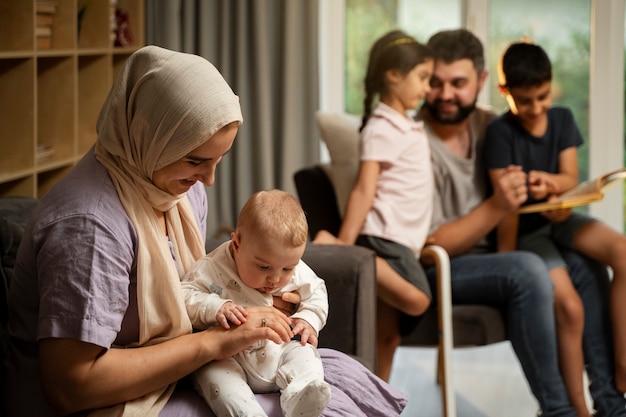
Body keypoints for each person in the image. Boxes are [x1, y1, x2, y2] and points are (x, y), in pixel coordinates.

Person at [2, 45, 406, 417]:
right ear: (147, 134)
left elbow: (195, 286)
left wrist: (255, 298)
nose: (209, 181)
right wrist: (215, 342)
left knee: (339, 380)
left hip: (176, 369)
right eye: (196, 160)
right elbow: (72, 387)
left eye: (218, 159)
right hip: (106, 403)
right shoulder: (90, 227)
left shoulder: (172, 187)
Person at [416, 28, 626, 417]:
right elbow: (431, 244)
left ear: (481, 83)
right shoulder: (415, 140)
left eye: (458, 83)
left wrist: (558, 199)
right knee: (530, 271)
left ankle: (612, 402)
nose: (446, 95)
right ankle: (562, 409)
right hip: (447, 261)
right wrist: (502, 213)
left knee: (587, 264)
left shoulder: (487, 123)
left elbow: (557, 175)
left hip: (513, 239)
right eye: (436, 83)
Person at [484, 40, 626, 414]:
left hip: (561, 219)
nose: (536, 108)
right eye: (525, 100)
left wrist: (551, 185)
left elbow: (569, 177)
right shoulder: (500, 133)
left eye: (542, 96)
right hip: (529, 235)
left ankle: (623, 370)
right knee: (571, 306)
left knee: (622, 251)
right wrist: (507, 257)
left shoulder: (561, 118)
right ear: (505, 91)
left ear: (552, 84)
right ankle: (577, 408)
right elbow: (507, 208)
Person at [313, 29, 434, 381]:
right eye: (423, 78)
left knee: (386, 336)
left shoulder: (405, 125)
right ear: (394, 76)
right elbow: (365, 190)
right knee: (418, 300)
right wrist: (346, 243)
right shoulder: (382, 127)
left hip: (401, 244)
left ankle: (379, 400)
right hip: (384, 239)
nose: (427, 88)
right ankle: (353, 257)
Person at [182, 189, 331, 417]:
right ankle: (247, 412)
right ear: (237, 244)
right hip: (229, 356)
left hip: (279, 350)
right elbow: (184, 294)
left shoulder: (294, 270)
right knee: (213, 376)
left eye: (287, 268)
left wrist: (308, 318)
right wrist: (216, 307)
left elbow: (317, 291)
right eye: (263, 267)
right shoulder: (211, 267)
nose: (275, 279)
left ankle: (299, 397)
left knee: (305, 354)